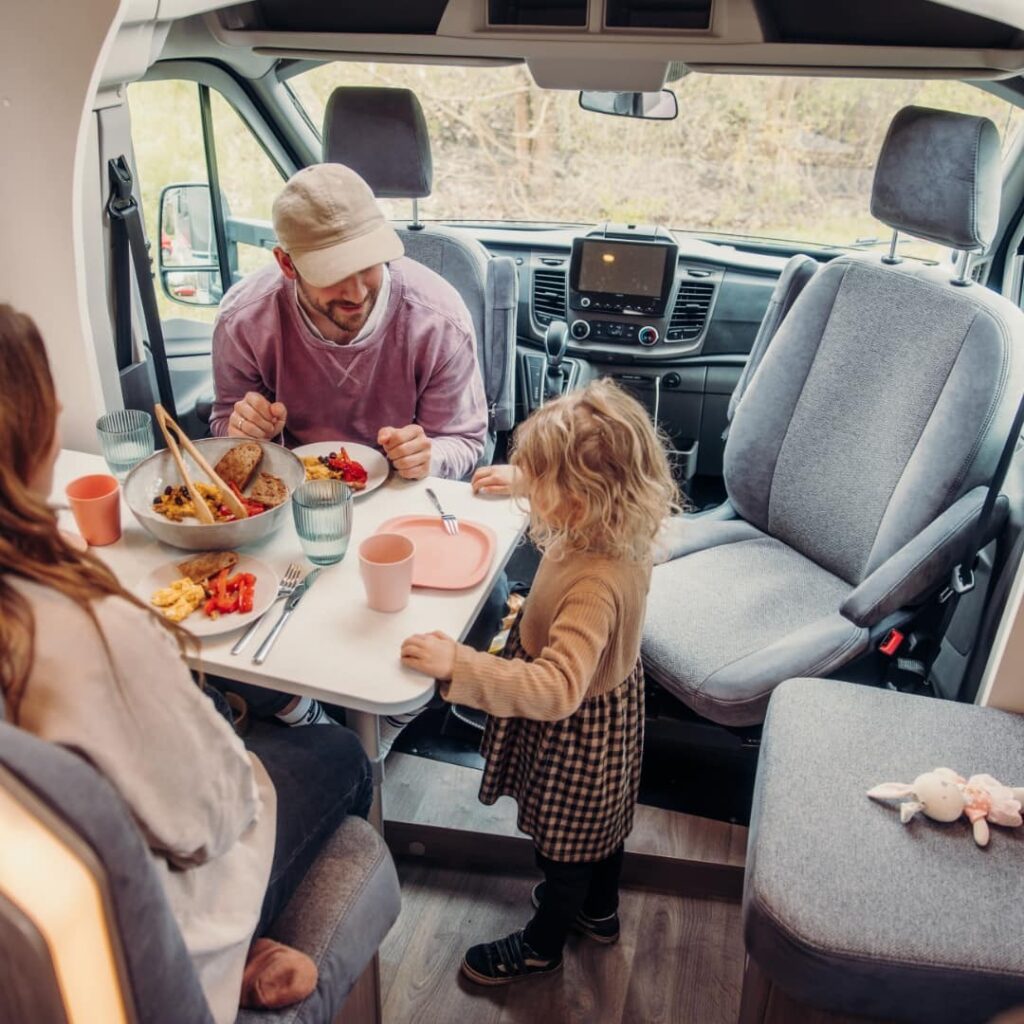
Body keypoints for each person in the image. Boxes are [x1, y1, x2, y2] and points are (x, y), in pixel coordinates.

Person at [0, 305, 372, 1023]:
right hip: (149, 936)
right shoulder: (85, 631)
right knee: (336, 750)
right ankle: (244, 954)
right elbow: (216, 815)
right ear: (39, 431)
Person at [402, 379, 678, 984]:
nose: (531, 486)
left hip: (575, 727)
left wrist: (460, 665)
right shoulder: (615, 528)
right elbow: (574, 479)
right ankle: (599, 913)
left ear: (578, 498)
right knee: (601, 827)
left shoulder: (594, 585)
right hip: (611, 713)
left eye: (540, 478)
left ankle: (542, 944)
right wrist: (520, 480)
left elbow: (554, 690)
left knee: (564, 851)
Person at [209, 162, 488, 482]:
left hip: (401, 488)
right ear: (287, 264)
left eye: (368, 264)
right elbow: (225, 423)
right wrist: (246, 432)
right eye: (334, 272)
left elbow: (462, 439)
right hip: (293, 489)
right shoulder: (243, 320)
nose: (356, 293)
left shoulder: (440, 321)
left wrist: (429, 457)